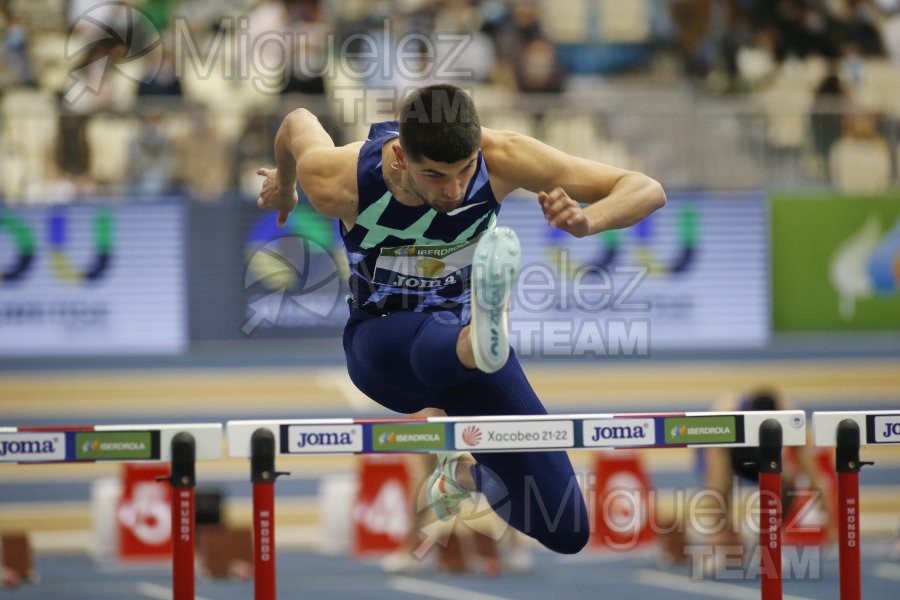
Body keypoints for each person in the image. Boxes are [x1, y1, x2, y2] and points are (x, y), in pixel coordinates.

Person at [256, 83, 666, 555]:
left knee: (566, 528)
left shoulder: (502, 156)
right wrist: (285, 186)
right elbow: (297, 122)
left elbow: (646, 190)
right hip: (383, 347)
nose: (452, 190)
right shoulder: (341, 179)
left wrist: (588, 221)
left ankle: (467, 472)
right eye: (434, 175)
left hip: (471, 353)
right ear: (402, 157)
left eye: (464, 170)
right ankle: (475, 343)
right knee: (438, 342)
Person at [659, 388, 836, 572]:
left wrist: (832, 526)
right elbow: (715, 477)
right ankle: (717, 547)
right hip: (728, 452)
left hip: (761, 456)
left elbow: (813, 475)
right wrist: (717, 537)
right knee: (720, 487)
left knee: (789, 482)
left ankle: (766, 543)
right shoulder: (727, 411)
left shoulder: (791, 418)